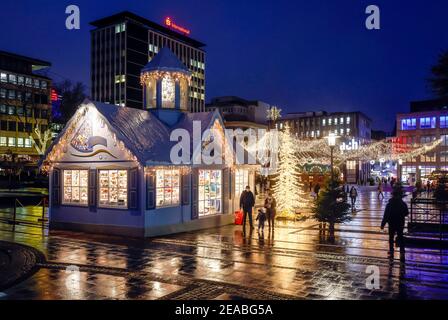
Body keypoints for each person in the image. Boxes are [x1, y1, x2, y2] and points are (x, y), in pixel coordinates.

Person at [381, 186, 409, 255]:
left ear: (393, 195)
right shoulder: (403, 203)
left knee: (391, 237)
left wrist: (383, 224)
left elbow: (386, 215)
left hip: (392, 223)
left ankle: (391, 250)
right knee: (400, 236)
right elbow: (406, 213)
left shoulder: (389, 204)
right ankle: (402, 250)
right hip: (400, 223)